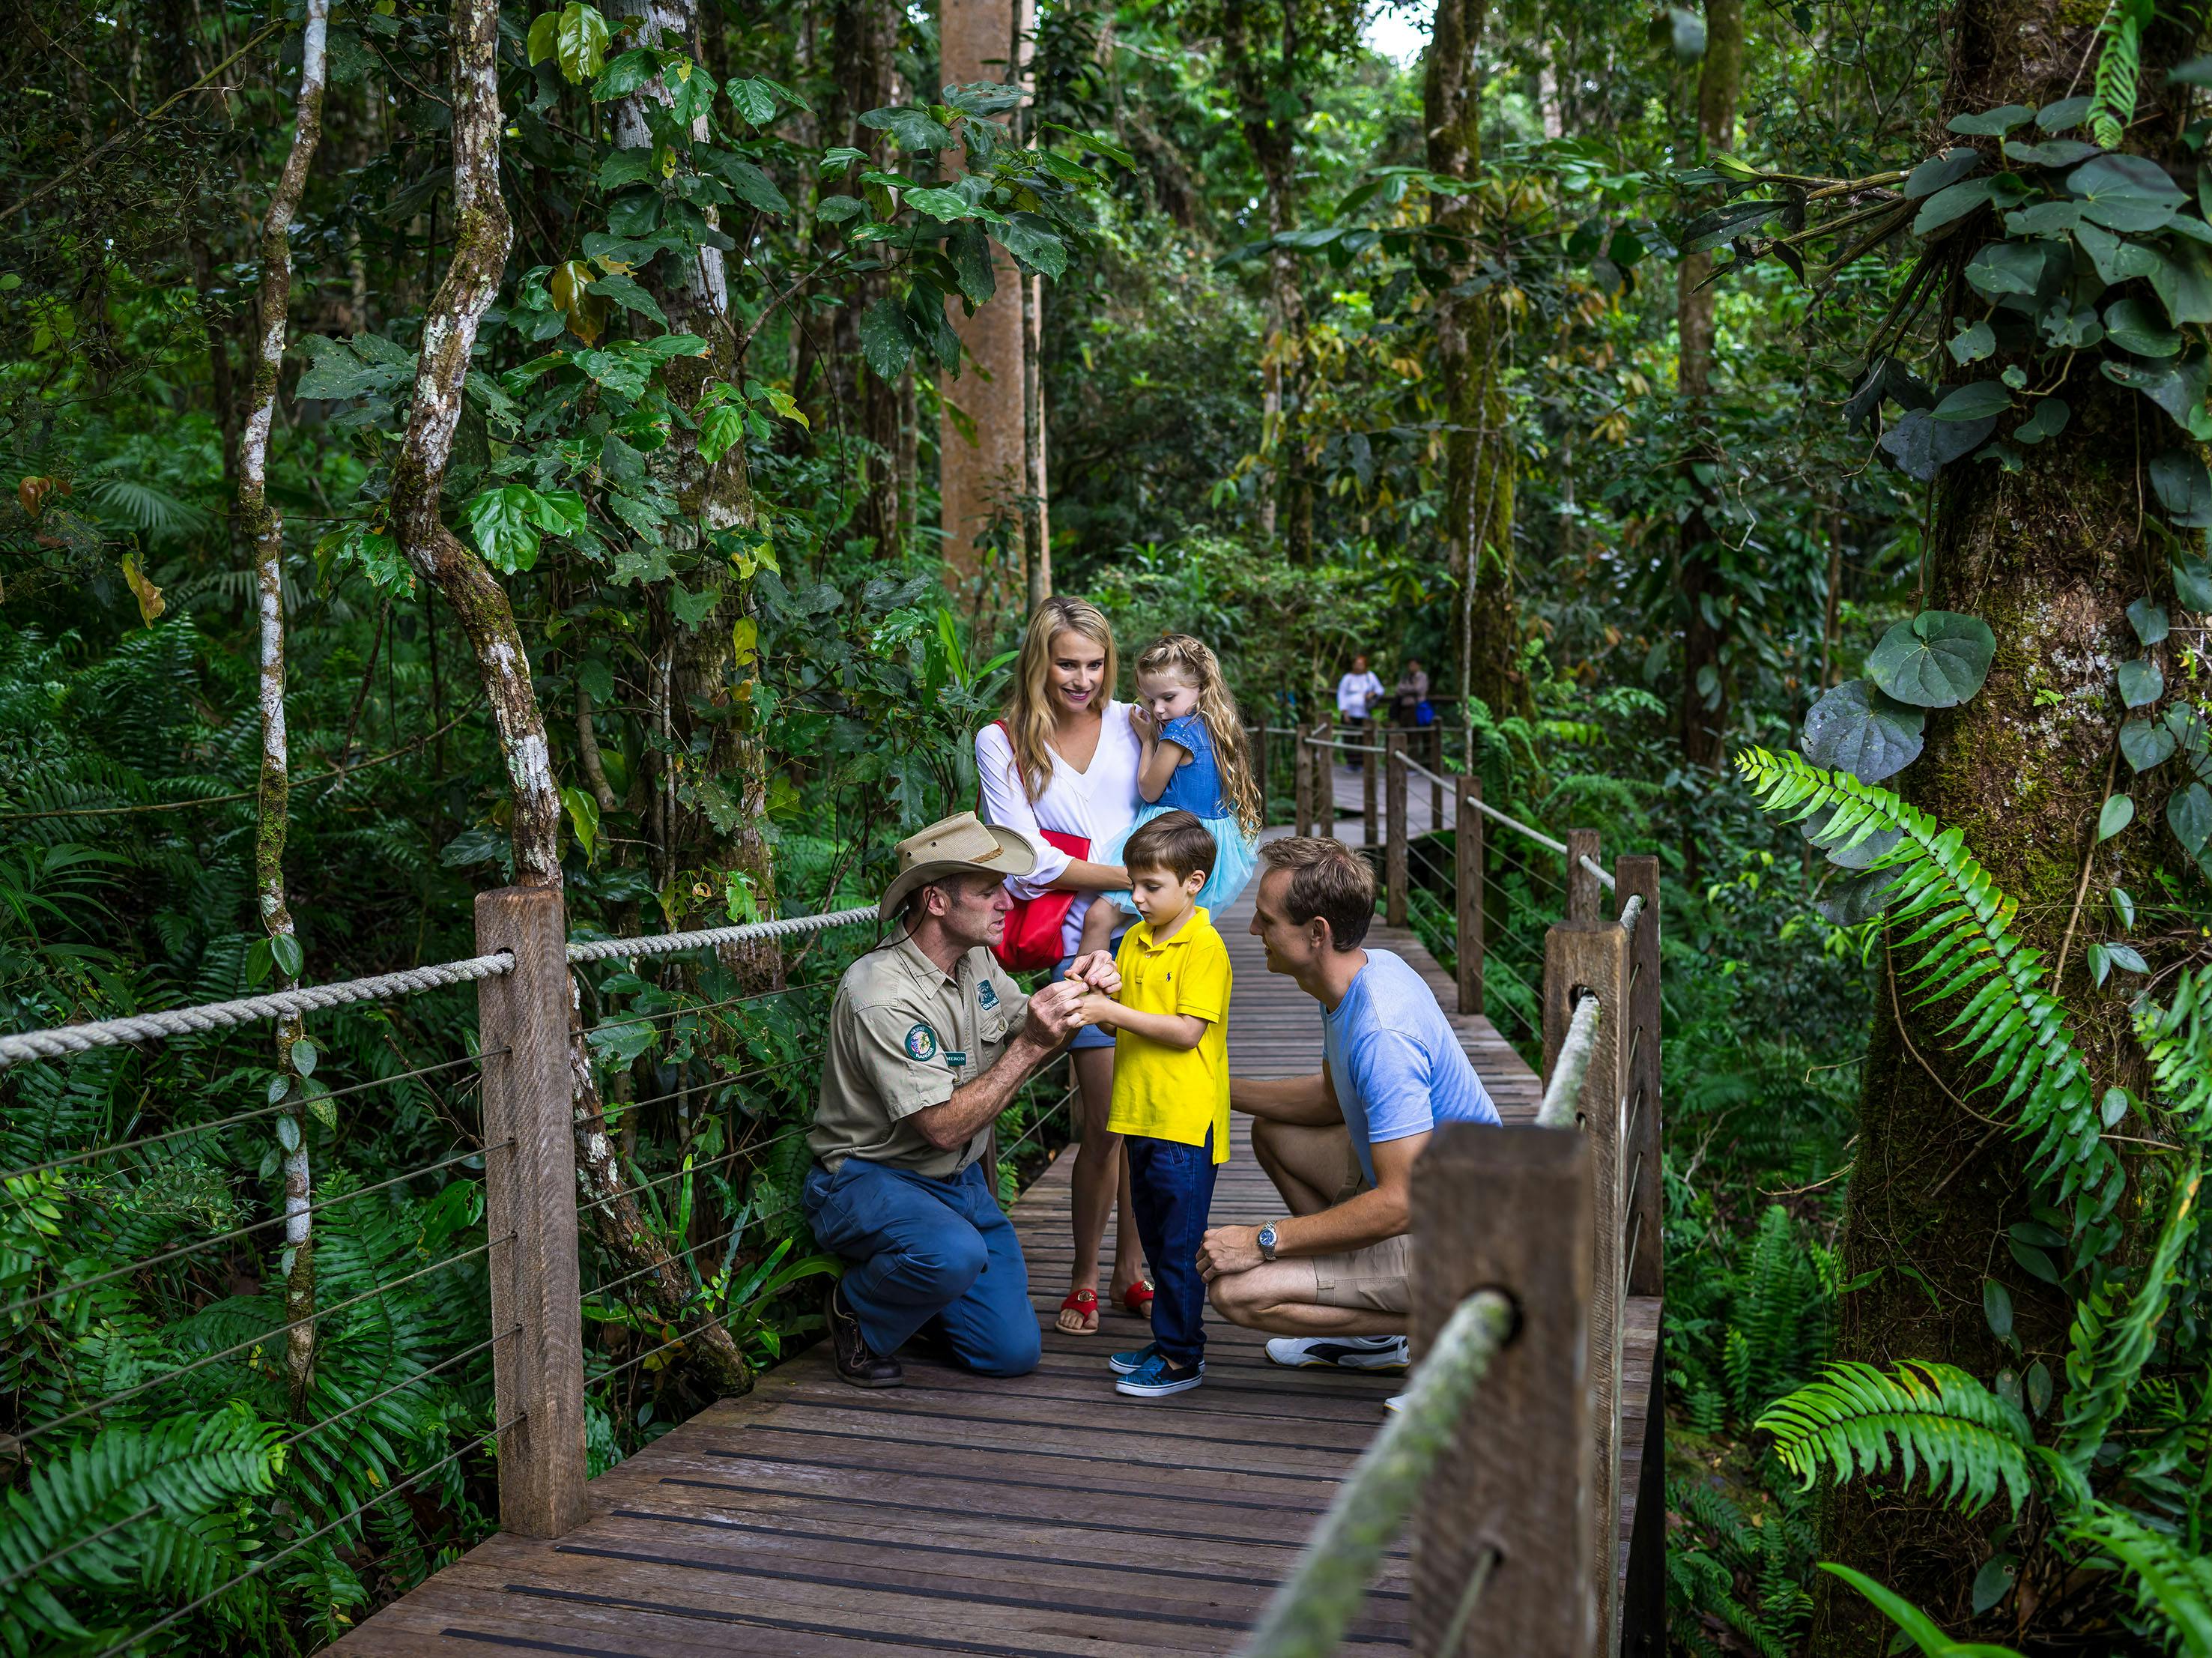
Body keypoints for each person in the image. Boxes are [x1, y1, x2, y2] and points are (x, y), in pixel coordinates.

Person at [806, 811, 1121, 1388]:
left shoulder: (973, 956)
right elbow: (944, 1128)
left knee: (1011, 1353)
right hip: (868, 1178)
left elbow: (1030, 1025)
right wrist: (1030, 1044)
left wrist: (1079, 991)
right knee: (950, 1254)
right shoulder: (881, 992)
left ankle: (919, 1297)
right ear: (935, 901)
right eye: (988, 890)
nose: (1006, 903)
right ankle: (856, 1310)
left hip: (957, 1185)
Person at [1197, 836, 1500, 1370]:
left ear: (1317, 933)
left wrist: (1264, 1240)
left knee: (1237, 1291)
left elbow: (1401, 1201)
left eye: (1265, 921)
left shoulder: (1382, 1030)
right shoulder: (1358, 973)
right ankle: (1372, 1322)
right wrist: (1214, 1087)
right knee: (1273, 1132)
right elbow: (1330, 1098)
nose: (1251, 931)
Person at [976, 596, 1152, 1334]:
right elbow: (1023, 864)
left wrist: (1134, 886)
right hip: (1076, 950)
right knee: (1107, 1119)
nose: (1082, 678)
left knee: (1155, 1119)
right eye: (1066, 663)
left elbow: (1176, 815)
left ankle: (1131, 1271)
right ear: (1038, 661)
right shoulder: (1004, 739)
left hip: (1160, 936)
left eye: (1094, 663)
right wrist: (1135, 876)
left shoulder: (1135, 724)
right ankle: (1084, 1271)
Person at [1073, 812, 1234, 1399]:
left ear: (1193, 882)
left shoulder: (1205, 946)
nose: (1135, 897)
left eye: (1150, 886)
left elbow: (1187, 1031)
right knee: (1154, 1230)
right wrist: (1100, 988)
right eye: (1133, 884)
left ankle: (1181, 1358)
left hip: (1184, 1122)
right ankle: (1168, 1338)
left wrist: (1110, 1012)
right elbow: (1131, 1026)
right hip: (1139, 1113)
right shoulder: (1137, 941)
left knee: (1177, 1245)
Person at [1076, 633, 1262, 961]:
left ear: (1200, 688)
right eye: (1150, 700)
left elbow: (1150, 788)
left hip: (1170, 841)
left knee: (1098, 918)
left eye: (1168, 698)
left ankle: (1083, 999)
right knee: (1166, 931)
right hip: (1206, 844)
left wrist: (1148, 740)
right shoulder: (1217, 727)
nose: (1159, 709)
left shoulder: (1176, 733)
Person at [1336, 655, 1385, 772]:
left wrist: (1371, 694)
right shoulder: (1347, 678)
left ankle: (1362, 763)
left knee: (1364, 738)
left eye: (1361, 664)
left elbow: (1380, 690)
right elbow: (1341, 694)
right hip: (1350, 714)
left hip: (1364, 714)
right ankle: (1350, 763)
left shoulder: (1370, 677)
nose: (1358, 666)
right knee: (1349, 737)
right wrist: (1344, 711)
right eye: (1357, 663)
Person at [1392, 659, 1429, 730]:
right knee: (1403, 730)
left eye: (1413, 665)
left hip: (1416, 708)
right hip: (1404, 708)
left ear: (1419, 666)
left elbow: (1418, 689)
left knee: (1414, 731)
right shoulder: (1405, 677)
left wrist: (1405, 689)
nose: (1411, 667)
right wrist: (1412, 688)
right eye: (1410, 665)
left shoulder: (1422, 676)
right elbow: (1398, 689)